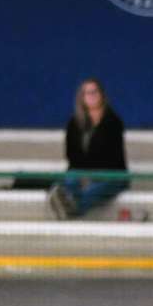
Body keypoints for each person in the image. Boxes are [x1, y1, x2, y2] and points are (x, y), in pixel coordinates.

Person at [47, 78, 129, 219]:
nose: (91, 95)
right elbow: (71, 154)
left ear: (101, 95)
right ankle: (68, 205)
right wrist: (85, 174)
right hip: (82, 172)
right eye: (87, 93)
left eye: (94, 92)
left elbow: (114, 157)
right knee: (71, 179)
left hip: (112, 175)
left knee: (93, 190)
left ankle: (72, 211)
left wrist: (92, 175)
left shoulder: (113, 122)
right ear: (82, 97)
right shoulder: (74, 122)